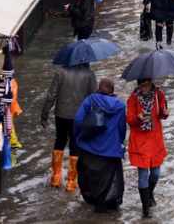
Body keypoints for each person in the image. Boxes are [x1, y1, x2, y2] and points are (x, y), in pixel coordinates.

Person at [41, 61, 97, 191]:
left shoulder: (60, 72)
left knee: (60, 140)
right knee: (75, 145)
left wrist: (44, 113)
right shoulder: (89, 74)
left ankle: (56, 177)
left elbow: (51, 95)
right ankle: (71, 182)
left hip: (61, 114)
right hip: (79, 116)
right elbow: (94, 97)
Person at [74, 78, 126, 213]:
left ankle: (94, 204)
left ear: (99, 87)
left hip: (89, 148)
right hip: (110, 151)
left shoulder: (90, 100)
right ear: (112, 90)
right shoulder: (120, 106)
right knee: (108, 181)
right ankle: (105, 207)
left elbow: (78, 120)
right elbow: (121, 128)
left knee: (89, 178)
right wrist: (119, 143)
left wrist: (79, 137)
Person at [126, 78, 169, 218]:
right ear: (139, 85)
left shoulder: (159, 95)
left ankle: (149, 194)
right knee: (143, 174)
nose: (144, 87)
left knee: (156, 173)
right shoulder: (133, 98)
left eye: (147, 84)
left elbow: (162, 114)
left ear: (151, 83)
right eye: (142, 85)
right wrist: (138, 118)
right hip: (140, 140)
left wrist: (164, 112)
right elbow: (130, 120)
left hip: (155, 139)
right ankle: (146, 209)